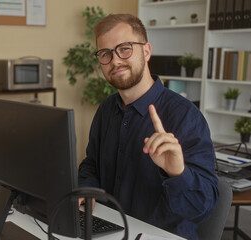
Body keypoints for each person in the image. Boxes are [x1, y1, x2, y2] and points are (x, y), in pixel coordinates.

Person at [77, 14, 219, 240]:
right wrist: (87, 187)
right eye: (105, 54)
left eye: (125, 48)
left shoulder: (185, 116)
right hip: (109, 230)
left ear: (146, 51)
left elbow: (203, 208)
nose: (115, 61)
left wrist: (177, 173)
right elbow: (91, 164)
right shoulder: (105, 110)